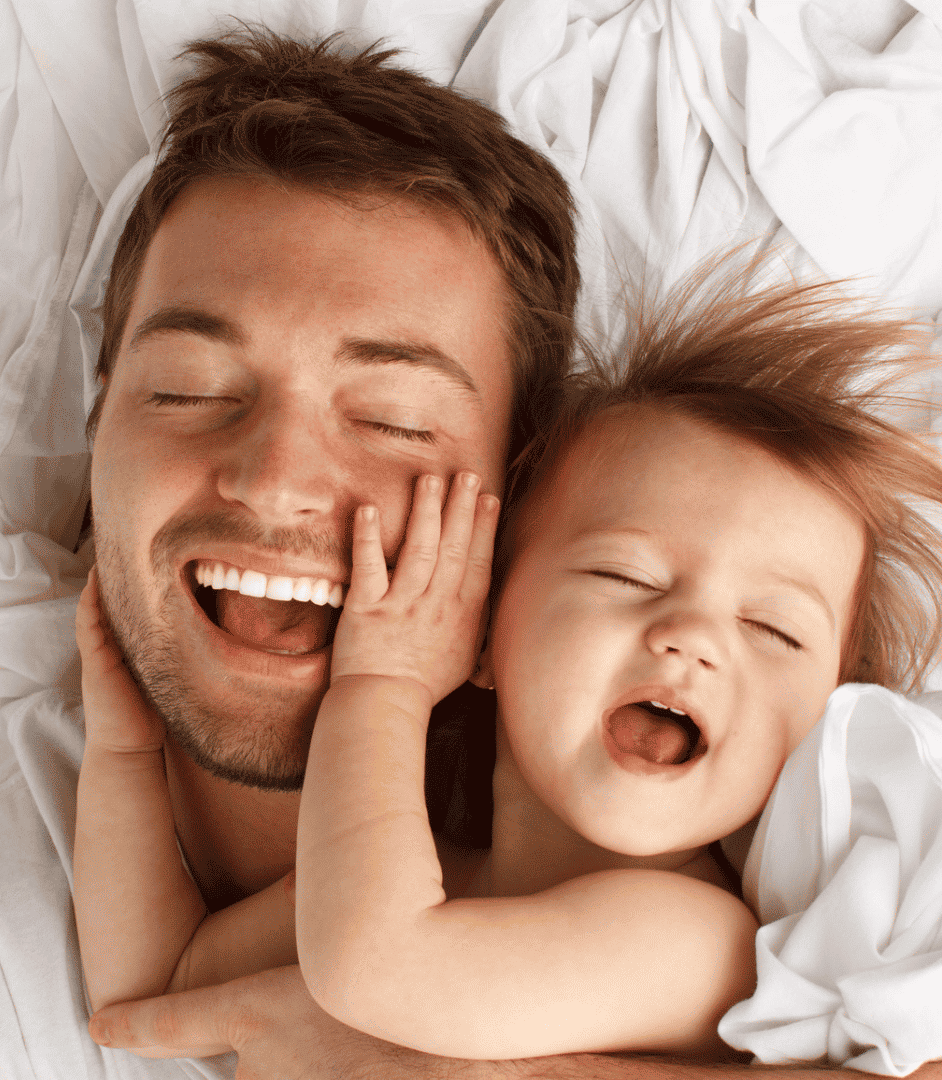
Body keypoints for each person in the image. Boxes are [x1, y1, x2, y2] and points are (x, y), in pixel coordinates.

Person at [72, 264, 942, 1064]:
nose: (693, 637)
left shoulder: (696, 940)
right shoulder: (413, 871)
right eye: (625, 576)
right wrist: (122, 750)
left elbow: (374, 967)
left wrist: (385, 685)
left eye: (773, 630)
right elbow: (154, 991)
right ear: (483, 626)